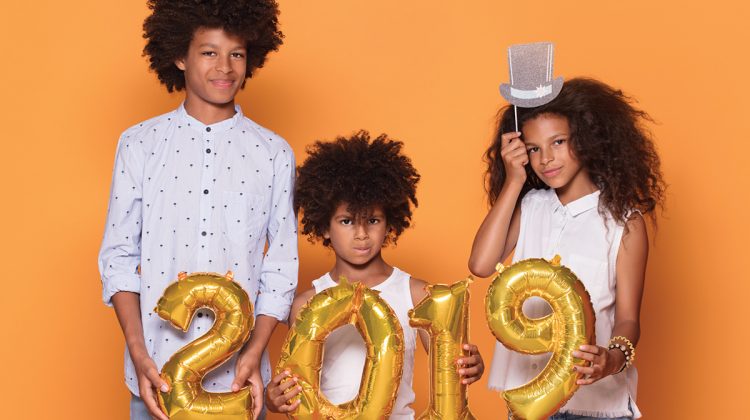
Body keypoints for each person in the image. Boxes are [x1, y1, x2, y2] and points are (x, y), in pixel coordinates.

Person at [97, 1, 296, 419]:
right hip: (155, 378)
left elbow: (280, 267)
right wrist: (138, 352)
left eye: (236, 54)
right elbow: (118, 258)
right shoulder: (139, 144)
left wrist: (255, 352)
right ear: (178, 56)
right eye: (209, 52)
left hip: (240, 386)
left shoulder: (274, 153)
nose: (225, 67)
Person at [469, 78, 666, 419]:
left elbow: (629, 317)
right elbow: (482, 264)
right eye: (533, 148)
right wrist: (514, 179)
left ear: (586, 139)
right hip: (530, 405)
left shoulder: (623, 222)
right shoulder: (530, 206)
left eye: (557, 142)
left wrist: (613, 358)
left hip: (597, 407)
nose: (546, 159)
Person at [265, 131, 484, 418]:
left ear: (389, 222)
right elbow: (293, 388)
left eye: (372, 220)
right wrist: (273, 399)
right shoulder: (308, 303)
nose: (361, 234)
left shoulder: (417, 294)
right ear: (325, 227)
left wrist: (471, 366)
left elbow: (451, 369)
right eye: (346, 221)